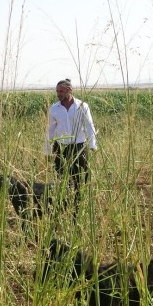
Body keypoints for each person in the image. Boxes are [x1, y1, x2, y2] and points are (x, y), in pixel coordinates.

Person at [45, 78, 97, 212]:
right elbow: (50, 130)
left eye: (61, 91)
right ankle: (63, 206)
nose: (58, 94)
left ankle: (78, 207)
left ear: (70, 90)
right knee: (62, 179)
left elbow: (89, 126)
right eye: (57, 91)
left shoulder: (82, 106)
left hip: (79, 148)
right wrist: (47, 151)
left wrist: (92, 145)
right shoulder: (54, 109)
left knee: (80, 178)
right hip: (60, 148)